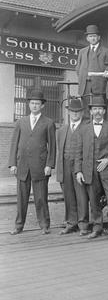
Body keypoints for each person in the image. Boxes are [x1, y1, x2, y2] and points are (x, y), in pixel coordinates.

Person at [74, 97, 108, 240]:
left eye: (100, 109)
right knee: (94, 200)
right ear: (90, 111)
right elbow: (78, 151)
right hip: (89, 170)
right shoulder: (83, 129)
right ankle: (97, 228)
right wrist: (78, 171)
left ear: (104, 111)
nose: (97, 112)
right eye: (94, 109)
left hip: (107, 170)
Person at [8, 89, 56, 235]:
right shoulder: (21, 122)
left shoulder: (48, 123)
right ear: (29, 104)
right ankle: (18, 226)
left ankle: (44, 225)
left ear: (42, 106)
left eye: (37, 103)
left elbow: (52, 146)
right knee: (21, 198)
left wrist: (49, 165)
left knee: (41, 197)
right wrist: (13, 164)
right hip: (22, 166)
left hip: (40, 167)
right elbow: (14, 144)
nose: (34, 106)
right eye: (32, 103)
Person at [55, 97, 89, 235]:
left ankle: (83, 225)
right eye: (73, 111)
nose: (75, 114)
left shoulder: (86, 128)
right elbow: (60, 150)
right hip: (65, 165)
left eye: (78, 111)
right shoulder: (62, 130)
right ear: (68, 112)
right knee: (68, 195)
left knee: (81, 196)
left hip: (79, 166)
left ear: (82, 113)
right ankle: (71, 223)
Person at [76, 24, 108, 107]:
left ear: (99, 37)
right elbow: (78, 67)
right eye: (90, 36)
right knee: (86, 110)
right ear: (87, 38)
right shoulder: (82, 52)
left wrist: (107, 71)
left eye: (94, 36)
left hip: (100, 85)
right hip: (85, 86)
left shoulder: (106, 51)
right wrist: (82, 77)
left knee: (99, 108)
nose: (93, 38)